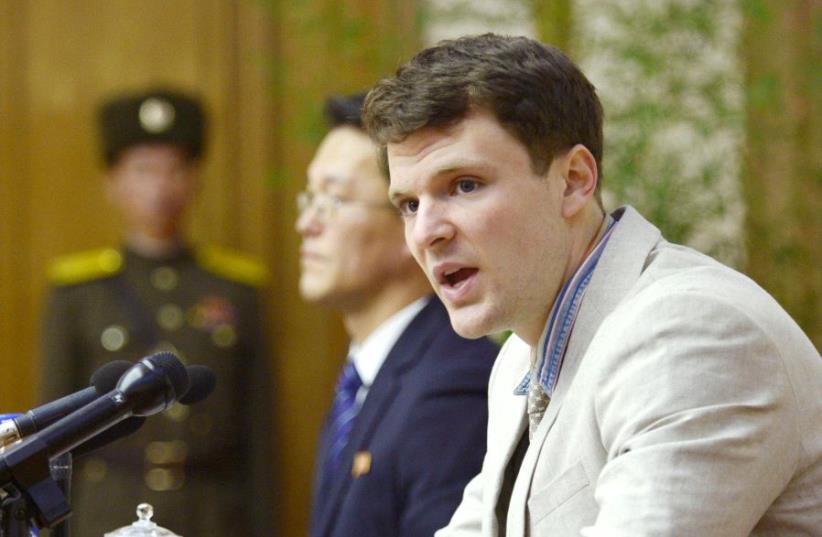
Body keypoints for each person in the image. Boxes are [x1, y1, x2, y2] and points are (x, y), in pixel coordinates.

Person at [362, 34, 822, 536]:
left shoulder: (690, 334)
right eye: (409, 204)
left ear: (575, 180)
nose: (427, 232)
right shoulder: (519, 357)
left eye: (464, 185)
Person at [40, 87, 274, 537]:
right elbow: (54, 437)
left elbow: (259, 439)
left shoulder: (237, 290)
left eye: (175, 169)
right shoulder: (77, 293)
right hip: (106, 509)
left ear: (195, 178)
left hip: (214, 512)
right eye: (144, 170)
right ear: (112, 181)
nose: (160, 187)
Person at [296, 93, 499, 537]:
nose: (307, 224)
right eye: (308, 199)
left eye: (333, 200)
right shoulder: (367, 374)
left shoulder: (452, 383)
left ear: (413, 220)